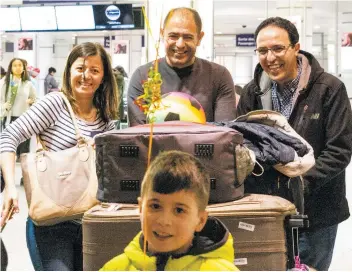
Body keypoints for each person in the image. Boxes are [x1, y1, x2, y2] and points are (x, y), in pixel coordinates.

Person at [237, 17, 352, 271]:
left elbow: (339, 151)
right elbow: (241, 145)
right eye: (263, 51)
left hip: (317, 214)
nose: (270, 57)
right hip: (267, 211)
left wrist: (299, 186)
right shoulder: (252, 93)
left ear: (296, 48)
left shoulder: (329, 89)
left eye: (278, 49)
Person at [0, 42, 119, 271]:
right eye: (80, 69)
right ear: (69, 71)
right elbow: (8, 136)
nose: (86, 76)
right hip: (51, 224)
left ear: (103, 76)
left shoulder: (107, 119)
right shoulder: (55, 104)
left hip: (94, 224)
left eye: (94, 70)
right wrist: (11, 189)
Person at [101, 150, 238, 271]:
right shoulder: (114, 268)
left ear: (200, 220)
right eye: (155, 206)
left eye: (179, 210)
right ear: (140, 208)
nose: (164, 221)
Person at [128, 7, 236, 126]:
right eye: (173, 36)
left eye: (188, 37)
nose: (180, 44)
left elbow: (225, 132)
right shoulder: (143, 76)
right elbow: (137, 134)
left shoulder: (219, 76)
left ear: (199, 38)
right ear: (162, 34)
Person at [0, 58, 36, 159]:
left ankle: (24, 171)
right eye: (15, 65)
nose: (17, 67)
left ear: (24, 68)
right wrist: (4, 106)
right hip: (9, 119)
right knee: (10, 147)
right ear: (10, 68)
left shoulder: (28, 84)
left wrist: (31, 101)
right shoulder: (4, 83)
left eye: (20, 65)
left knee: (24, 149)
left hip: (25, 119)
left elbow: (35, 98)